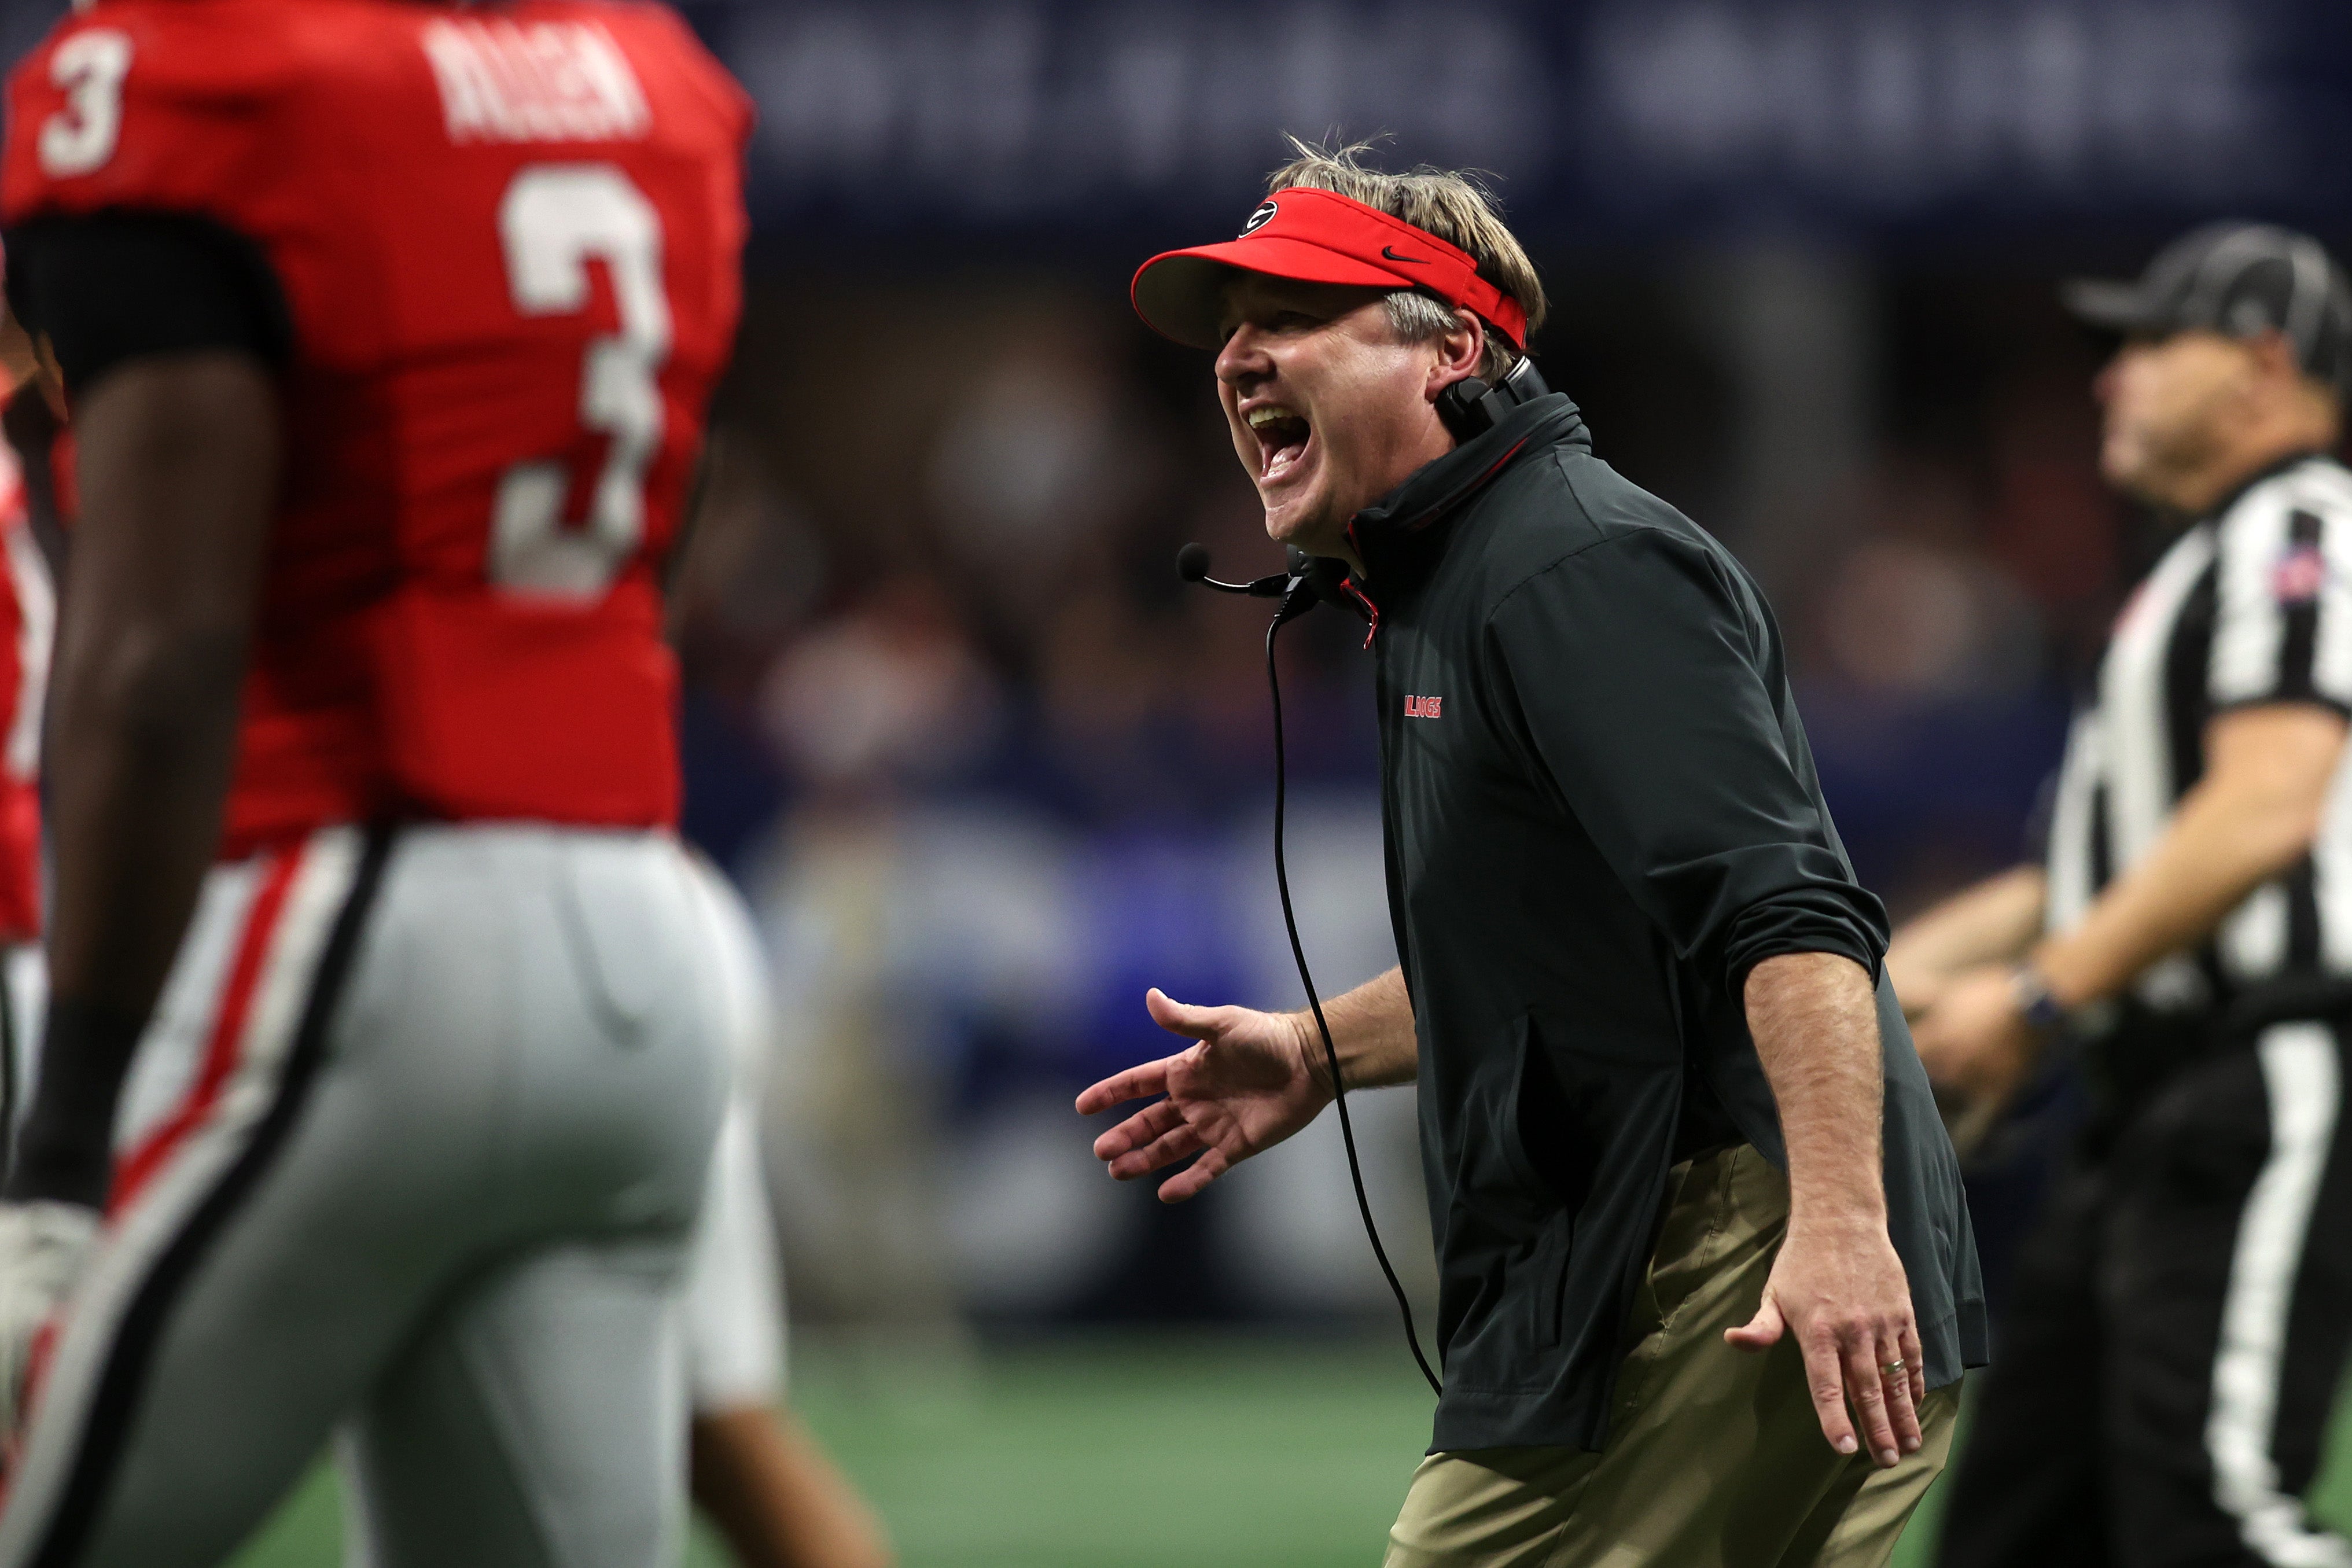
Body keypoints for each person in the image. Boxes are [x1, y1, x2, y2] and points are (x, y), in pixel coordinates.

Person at [1079, 139, 1987, 1568]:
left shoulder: (1573, 566)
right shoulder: (1444, 578)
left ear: (1447, 348)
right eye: (1231, 328)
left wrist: (1835, 1223)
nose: (1240, 357)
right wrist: (1319, 1051)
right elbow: (1578, 946)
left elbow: (1790, 916)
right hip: (1654, 1257)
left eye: (1292, 315)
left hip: (1721, 1252)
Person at [0, 3, 752, 1564]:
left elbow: (157, 655)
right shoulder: (648, 73)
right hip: (639, 937)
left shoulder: (200, 73)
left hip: (364, 919)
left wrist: (60, 1155)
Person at [1893, 223, 2352, 1568]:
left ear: (2260, 364)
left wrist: (2035, 999)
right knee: (2016, 1532)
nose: (2111, 380)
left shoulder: (2301, 533)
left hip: (2257, 1067)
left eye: (2151, 344)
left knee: (2212, 1518)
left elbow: (2263, 808)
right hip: (2144, 1103)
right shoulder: (2193, 572)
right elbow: (2079, 880)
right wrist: (1857, 985)